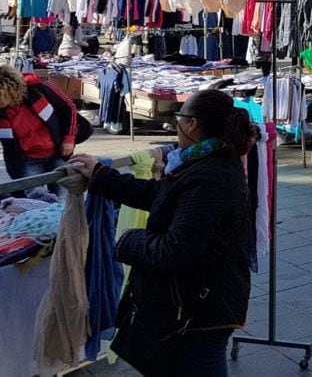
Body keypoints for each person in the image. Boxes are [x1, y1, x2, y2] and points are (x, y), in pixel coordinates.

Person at [67, 90, 256, 376]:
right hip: (201, 300)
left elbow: (174, 251)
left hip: (203, 307)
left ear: (192, 124)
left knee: (197, 364)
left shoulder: (211, 176)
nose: (177, 124)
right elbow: (160, 195)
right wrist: (101, 176)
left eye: (179, 117)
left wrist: (128, 239)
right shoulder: (203, 162)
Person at [0, 64, 77, 186]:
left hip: (57, 152)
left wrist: (69, 139)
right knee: (34, 200)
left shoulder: (39, 89)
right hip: (26, 160)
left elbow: (69, 107)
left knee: (63, 198)